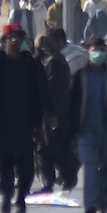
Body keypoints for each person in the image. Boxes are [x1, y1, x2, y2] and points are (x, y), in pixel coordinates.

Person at [0, 23, 48, 213]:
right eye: (11, 38)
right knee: (5, 163)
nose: (15, 41)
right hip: (0, 124)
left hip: (26, 123)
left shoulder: (32, 65)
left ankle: (21, 200)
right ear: (4, 42)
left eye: (18, 37)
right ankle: (7, 194)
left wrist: (45, 118)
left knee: (26, 165)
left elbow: (41, 92)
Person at [69, 38, 107, 213]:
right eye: (95, 50)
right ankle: (91, 205)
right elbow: (71, 105)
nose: (98, 53)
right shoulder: (79, 77)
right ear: (88, 51)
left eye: (102, 50)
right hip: (85, 132)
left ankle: (103, 207)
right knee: (91, 167)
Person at [35, 33, 76, 192]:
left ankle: (62, 179)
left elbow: (51, 90)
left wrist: (50, 113)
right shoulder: (57, 60)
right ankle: (56, 180)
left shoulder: (52, 62)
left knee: (48, 148)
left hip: (52, 113)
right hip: (56, 112)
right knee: (51, 148)